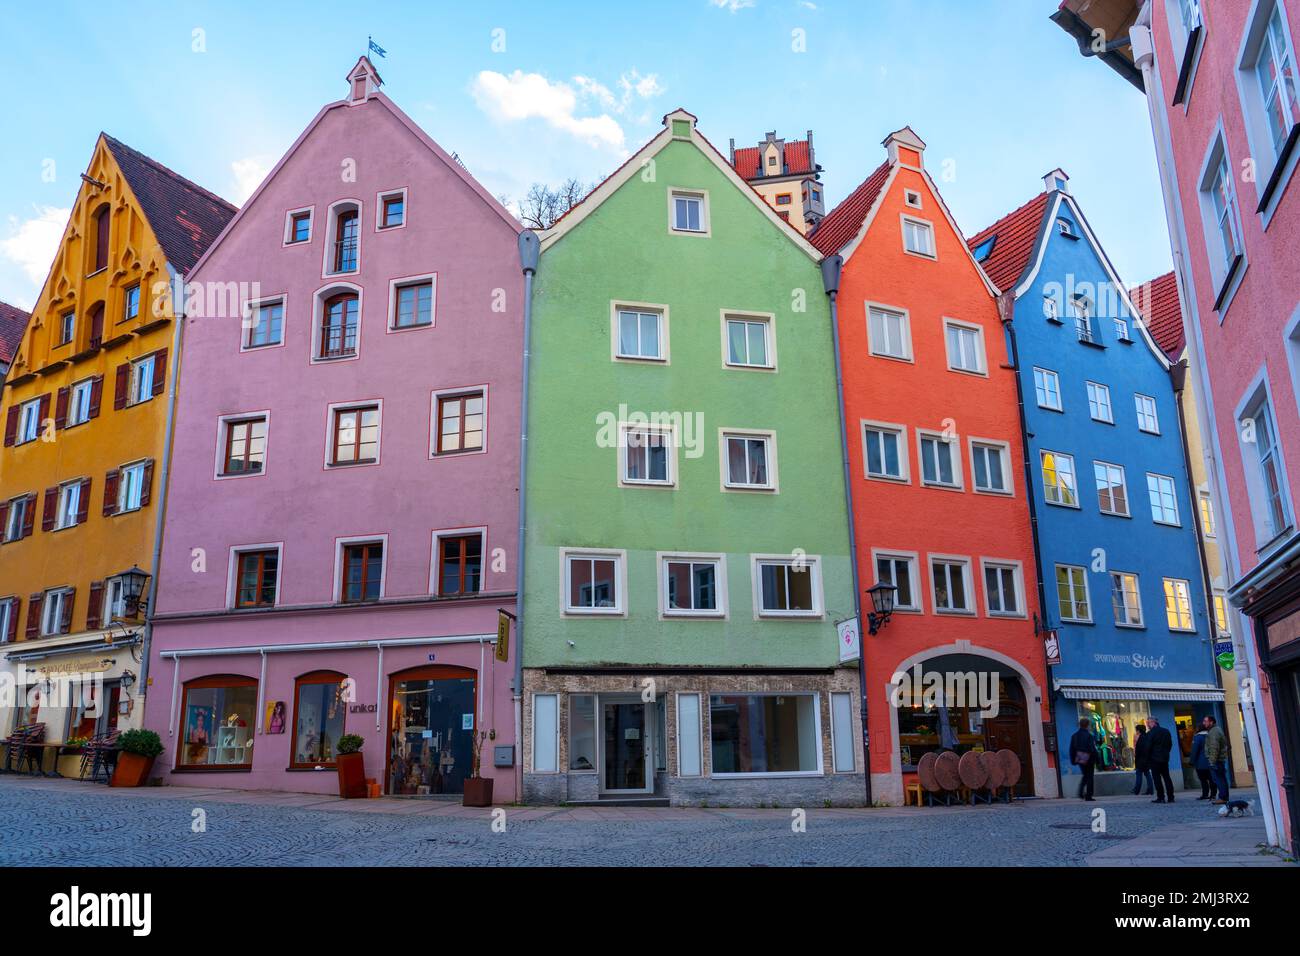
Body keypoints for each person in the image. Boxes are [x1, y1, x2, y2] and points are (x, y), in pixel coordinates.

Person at [1146, 717, 1176, 803]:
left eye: (1148, 723)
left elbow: (1148, 747)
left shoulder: (1151, 733)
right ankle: (1171, 797)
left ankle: (1161, 797)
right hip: (1164, 758)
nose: (1147, 725)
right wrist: (1166, 753)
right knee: (1167, 777)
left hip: (1154, 759)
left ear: (1153, 723)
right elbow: (1170, 744)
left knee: (1157, 779)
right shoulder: (1166, 731)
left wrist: (1148, 758)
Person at [1203, 715, 1230, 805]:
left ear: (1211, 722)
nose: (1204, 723)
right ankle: (1224, 796)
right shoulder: (1215, 730)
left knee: (1219, 779)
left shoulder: (1214, 732)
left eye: (1206, 721)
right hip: (1219, 760)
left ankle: (1223, 797)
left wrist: (1212, 761)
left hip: (1217, 760)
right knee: (1221, 778)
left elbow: (1214, 747)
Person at [1069, 718, 1098, 801]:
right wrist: (1097, 759)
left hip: (1080, 759)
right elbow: (1092, 748)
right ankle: (1088, 795)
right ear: (1087, 725)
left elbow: (1072, 749)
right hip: (1089, 759)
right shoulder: (1089, 735)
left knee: (1085, 775)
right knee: (1090, 777)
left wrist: (1073, 760)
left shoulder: (1074, 736)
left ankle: (1081, 792)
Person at [1190, 724, 1214, 799]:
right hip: (1211, 761)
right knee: (1211, 779)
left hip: (1201, 762)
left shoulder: (1197, 737)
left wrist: (1192, 761)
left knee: (1203, 780)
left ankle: (1205, 794)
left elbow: (1194, 750)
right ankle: (1213, 794)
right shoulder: (1210, 736)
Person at [1132, 723, 1154, 796]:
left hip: (1141, 760)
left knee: (1139, 775)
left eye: (1136, 730)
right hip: (1146, 759)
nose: (1136, 731)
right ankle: (1150, 790)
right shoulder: (1147, 736)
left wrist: (1136, 758)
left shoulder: (1141, 738)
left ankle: (1136, 790)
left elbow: (1139, 750)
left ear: (1139, 730)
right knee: (1147, 774)